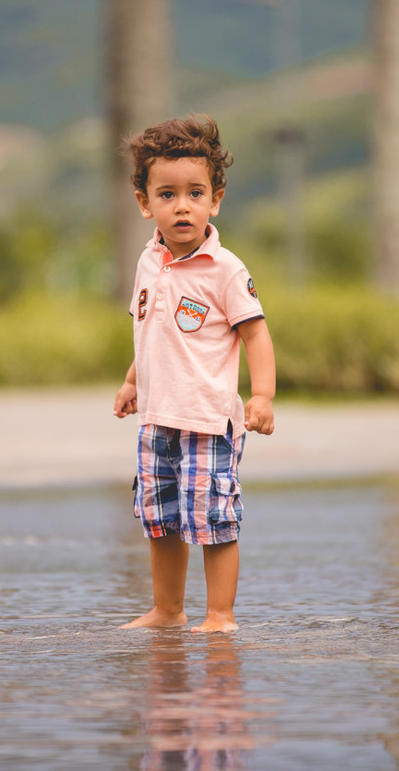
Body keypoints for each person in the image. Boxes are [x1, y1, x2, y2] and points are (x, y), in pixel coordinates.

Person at [112, 115, 276, 634]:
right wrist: (133, 381)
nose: (181, 206)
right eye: (167, 194)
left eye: (195, 193)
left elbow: (256, 334)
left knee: (213, 520)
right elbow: (151, 333)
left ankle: (220, 616)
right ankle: (167, 610)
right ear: (145, 203)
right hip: (158, 418)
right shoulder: (147, 263)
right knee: (161, 521)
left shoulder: (226, 268)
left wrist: (263, 395)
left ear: (215, 199)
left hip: (208, 419)